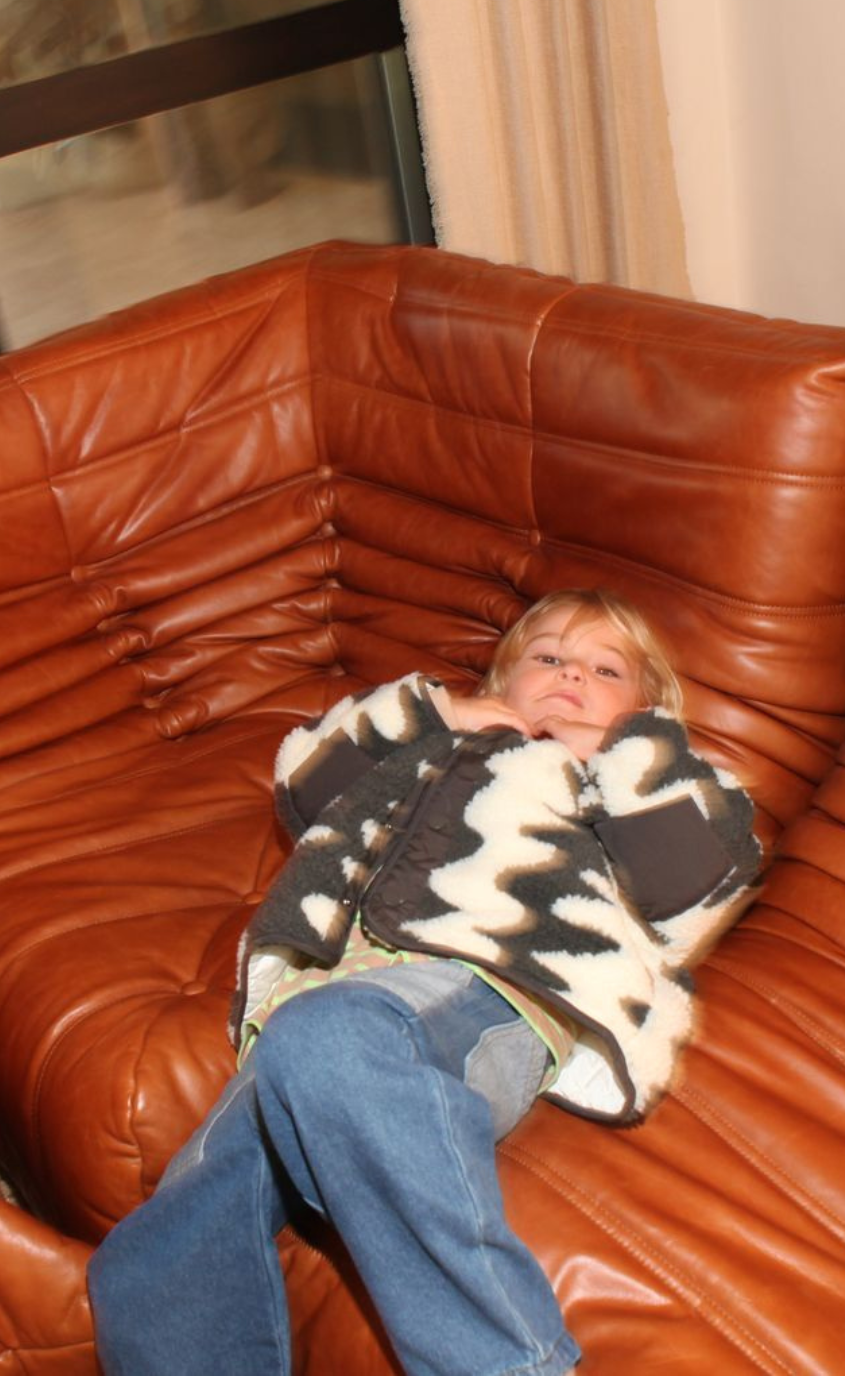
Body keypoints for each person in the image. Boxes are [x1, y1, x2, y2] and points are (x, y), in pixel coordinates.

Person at [88, 588, 761, 1376]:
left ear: (647, 707)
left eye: (605, 670)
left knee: (330, 1042)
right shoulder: (426, 743)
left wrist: (621, 754)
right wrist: (437, 714)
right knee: (151, 1257)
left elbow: (693, 887)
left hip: (495, 988)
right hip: (319, 999)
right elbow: (304, 788)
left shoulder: (622, 776)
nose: (569, 675)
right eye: (545, 657)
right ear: (499, 682)